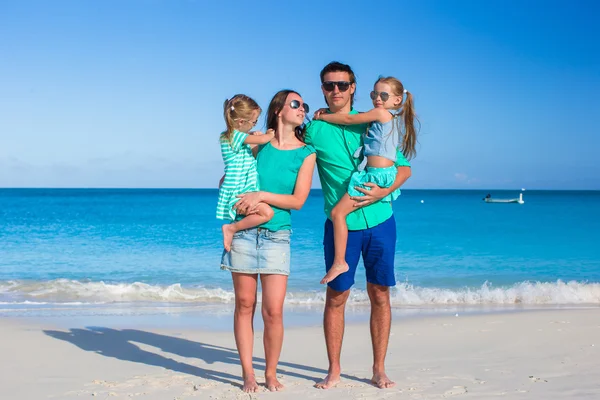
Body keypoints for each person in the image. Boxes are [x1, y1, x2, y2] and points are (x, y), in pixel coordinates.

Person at [304, 62, 413, 390]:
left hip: (381, 219)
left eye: (341, 84)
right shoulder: (313, 129)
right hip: (341, 225)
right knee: (336, 296)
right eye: (328, 85)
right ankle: (334, 369)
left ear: (353, 87)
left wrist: (384, 189)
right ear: (322, 89)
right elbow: (287, 155)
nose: (335, 90)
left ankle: (379, 369)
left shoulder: (374, 118)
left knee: (380, 293)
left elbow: (404, 169)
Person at [220, 90, 316, 393]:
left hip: (278, 235)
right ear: (279, 110)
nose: (302, 109)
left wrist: (260, 196)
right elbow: (230, 177)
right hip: (245, 231)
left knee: (273, 310)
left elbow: (298, 201)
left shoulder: (307, 152)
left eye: (304, 105)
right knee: (244, 304)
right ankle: (248, 373)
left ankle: (270, 373)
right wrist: (238, 199)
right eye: (296, 104)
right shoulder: (258, 145)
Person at [314, 76, 418, 284]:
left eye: (384, 95)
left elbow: (349, 119)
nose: (378, 99)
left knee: (337, 212)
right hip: (384, 174)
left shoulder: (379, 115)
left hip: (375, 176)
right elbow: (360, 117)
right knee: (339, 213)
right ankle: (340, 261)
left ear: (397, 100)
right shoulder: (387, 118)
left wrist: (323, 117)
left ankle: (340, 262)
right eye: (374, 94)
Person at [216, 94, 275, 251]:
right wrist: (269, 134)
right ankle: (232, 228)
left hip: (240, 187)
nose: (255, 125)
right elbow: (262, 141)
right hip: (239, 189)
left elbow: (251, 156)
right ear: (241, 122)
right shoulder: (233, 136)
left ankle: (235, 229)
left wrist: (252, 136)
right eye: (254, 122)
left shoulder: (234, 137)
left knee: (264, 213)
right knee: (267, 213)